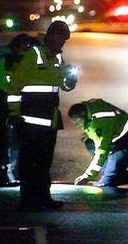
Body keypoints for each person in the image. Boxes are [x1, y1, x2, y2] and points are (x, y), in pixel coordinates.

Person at [7, 21, 78, 210]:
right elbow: (14, 85)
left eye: (65, 39)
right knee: (30, 161)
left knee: (44, 162)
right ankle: (28, 199)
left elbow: (64, 86)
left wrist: (71, 78)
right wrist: (14, 114)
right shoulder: (33, 54)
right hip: (30, 119)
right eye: (60, 37)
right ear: (50, 35)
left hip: (50, 120)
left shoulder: (57, 58)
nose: (62, 42)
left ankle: (43, 197)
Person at [68, 99, 128, 187]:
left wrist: (88, 175)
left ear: (83, 115)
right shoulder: (90, 110)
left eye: (78, 122)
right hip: (116, 141)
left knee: (109, 180)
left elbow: (102, 150)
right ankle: (109, 170)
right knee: (89, 141)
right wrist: (89, 134)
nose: (78, 126)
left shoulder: (99, 123)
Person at [0, 33, 33, 187]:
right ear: (19, 46)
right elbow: (5, 87)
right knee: (3, 142)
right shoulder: (6, 60)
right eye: (26, 48)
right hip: (0, 106)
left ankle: (4, 175)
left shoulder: (5, 57)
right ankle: (1, 177)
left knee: (5, 142)